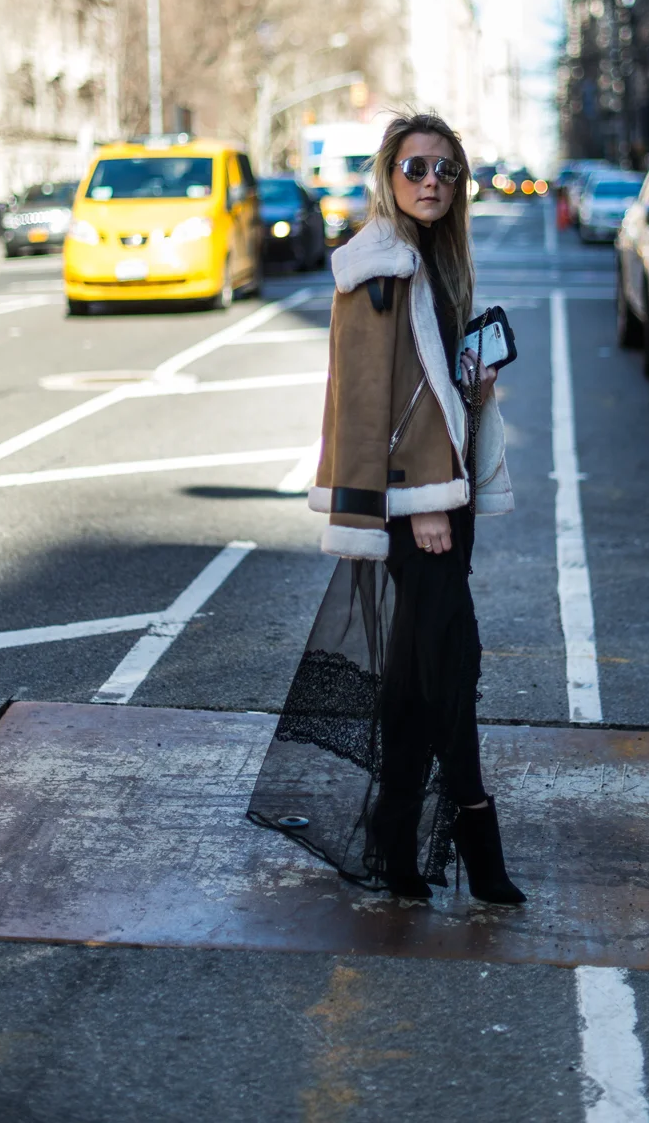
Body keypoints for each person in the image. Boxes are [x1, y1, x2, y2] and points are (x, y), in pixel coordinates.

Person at [248, 111, 525, 905]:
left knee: (416, 677)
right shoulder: (378, 266)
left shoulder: (435, 259)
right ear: (388, 176)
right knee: (452, 668)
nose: (431, 181)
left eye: (446, 170)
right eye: (415, 168)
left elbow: (421, 385)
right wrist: (419, 501)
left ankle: (395, 843)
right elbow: (365, 404)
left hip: (448, 495)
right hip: (421, 505)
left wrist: (472, 387)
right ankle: (474, 829)